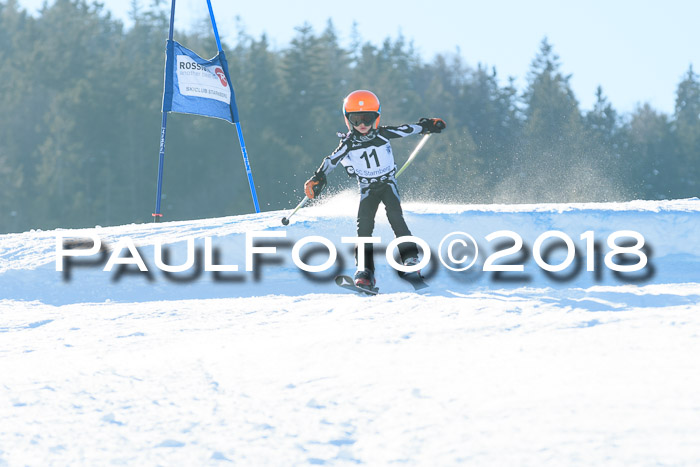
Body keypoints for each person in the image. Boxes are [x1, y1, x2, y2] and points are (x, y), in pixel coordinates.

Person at [304, 90, 446, 289]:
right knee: (364, 227)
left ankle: (411, 260)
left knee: (396, 218)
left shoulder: (383, 134)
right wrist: (318, 178)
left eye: (367, 118)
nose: (362, 124)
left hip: (387, 184)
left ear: (376, 118)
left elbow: (407, 129)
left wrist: (427, 125)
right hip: (368, 188)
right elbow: (331, 160)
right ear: (348, 120)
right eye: (356, 119)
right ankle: (365, 271)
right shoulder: (349, 142)